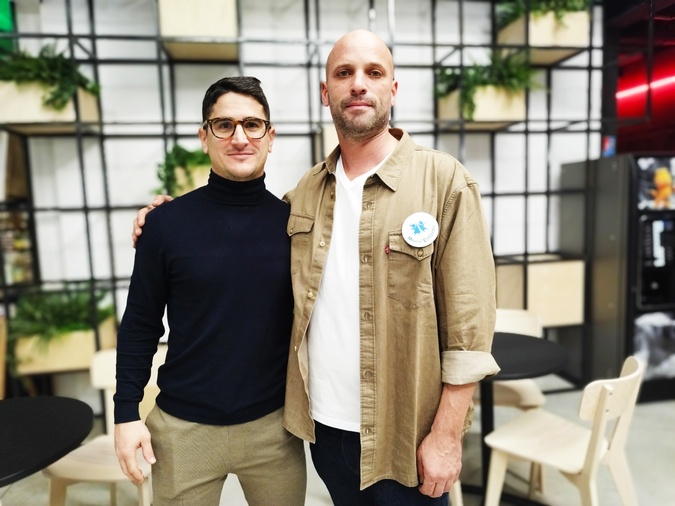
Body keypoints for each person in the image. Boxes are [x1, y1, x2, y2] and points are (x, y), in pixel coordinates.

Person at [134, 30, 499, 506]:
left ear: (393, 88)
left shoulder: (444, 181)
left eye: (374, 73)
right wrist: (165, 218)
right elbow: (239, 233)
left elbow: (469, 330)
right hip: (324, 432)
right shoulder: (305, 194)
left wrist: (447, 436)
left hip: (403, 435)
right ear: (326, 93)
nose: (359, 85)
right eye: (344, 73)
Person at [115, 76, 306, 506]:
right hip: (184, 430)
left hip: (274, 428)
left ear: (270, 137)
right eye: (224, 125)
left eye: (253, 125)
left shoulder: (296, 225)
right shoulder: (165, 225)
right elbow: (140, 324)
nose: (239, 137)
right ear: (205, 137)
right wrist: (125, 411)